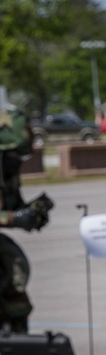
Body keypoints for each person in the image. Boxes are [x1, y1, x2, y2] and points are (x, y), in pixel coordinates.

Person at [0, 104, 51, 333]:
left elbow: (11, 206)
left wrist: (30, 214)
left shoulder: (7, 170)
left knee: (15, 281)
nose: (17, 162)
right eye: (12, 155)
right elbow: (9, 215)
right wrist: (13, 218)